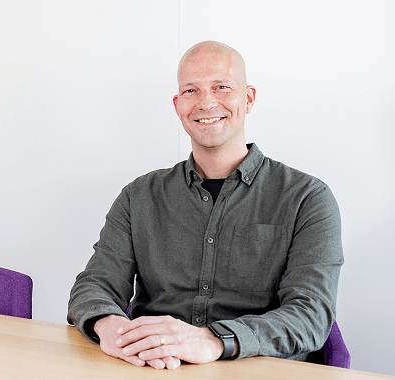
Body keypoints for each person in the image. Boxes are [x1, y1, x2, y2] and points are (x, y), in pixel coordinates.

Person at [66, 41, 343, 370]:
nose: (206, 102)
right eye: (191, 91)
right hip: (152, 368)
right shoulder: (138, 196)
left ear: (248, 98)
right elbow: (94, 284)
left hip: (256, 369)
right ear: (178, 104)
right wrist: (111, 327)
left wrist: (215, 340)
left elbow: (310, 316)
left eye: (221, 87)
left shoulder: (308, 199)